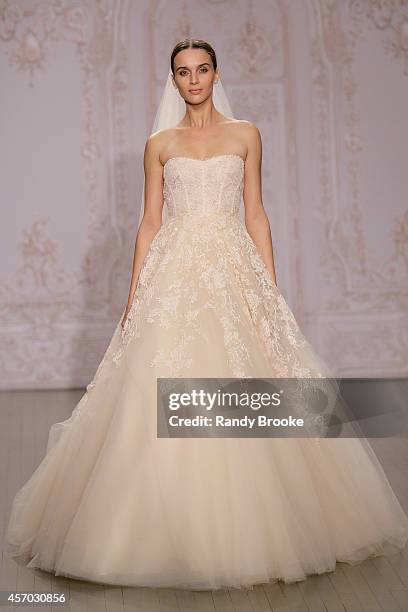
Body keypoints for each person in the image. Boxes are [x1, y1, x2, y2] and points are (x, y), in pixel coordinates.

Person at [5, 38, 408, 592]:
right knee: (153, 386)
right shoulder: (159, 144)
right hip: (173, 272)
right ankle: (152, 528)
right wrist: (134, 293)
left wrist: (269, 286)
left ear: (217, 74)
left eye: (202, 69)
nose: (193, 80)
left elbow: (256, 213)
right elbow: (150, 222)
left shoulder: (245, 135)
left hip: (232, 266)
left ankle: (264, 526)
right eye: (182, 72)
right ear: (173, 81)